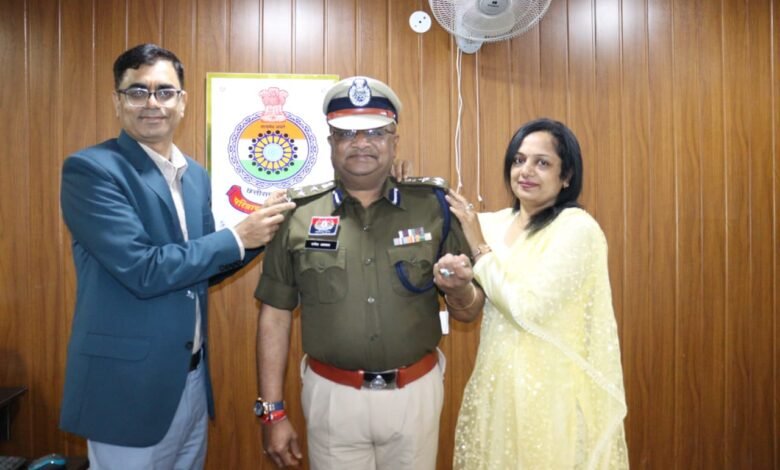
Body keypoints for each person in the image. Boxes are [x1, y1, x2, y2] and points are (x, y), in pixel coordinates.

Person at [58, 43, 296, 469]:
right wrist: (237, 236)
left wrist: (262, 232)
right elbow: (143, 268)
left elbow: (199, 267)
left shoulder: (195, 176)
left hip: (190, 381)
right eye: (138, 91)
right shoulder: (92, 170)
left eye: (165, 91)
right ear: (117, 101)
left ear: (182, 101)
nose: (153, 103)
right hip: (127, 390)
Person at [253, 76, 484, 469]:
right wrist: (272, 411)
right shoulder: (296, 214)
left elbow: (470, 309)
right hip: (332, 398)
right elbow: (275, 315)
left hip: (415, 393)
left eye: (376, 132)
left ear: (395, 141)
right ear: (330, 142)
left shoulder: (434, 207)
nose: (361, 143)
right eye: (347, 134)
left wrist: (460, 290)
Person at [443, 118, 629, 469]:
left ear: (566, 176)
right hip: (497, 388)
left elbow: (526, 309)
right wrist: (398, 183)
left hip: (551, 397)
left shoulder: (577, 230)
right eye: (519, 160)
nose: (525, 171)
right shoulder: (496, 223)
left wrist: (480, 249)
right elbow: (438, 218)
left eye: (542, 163)